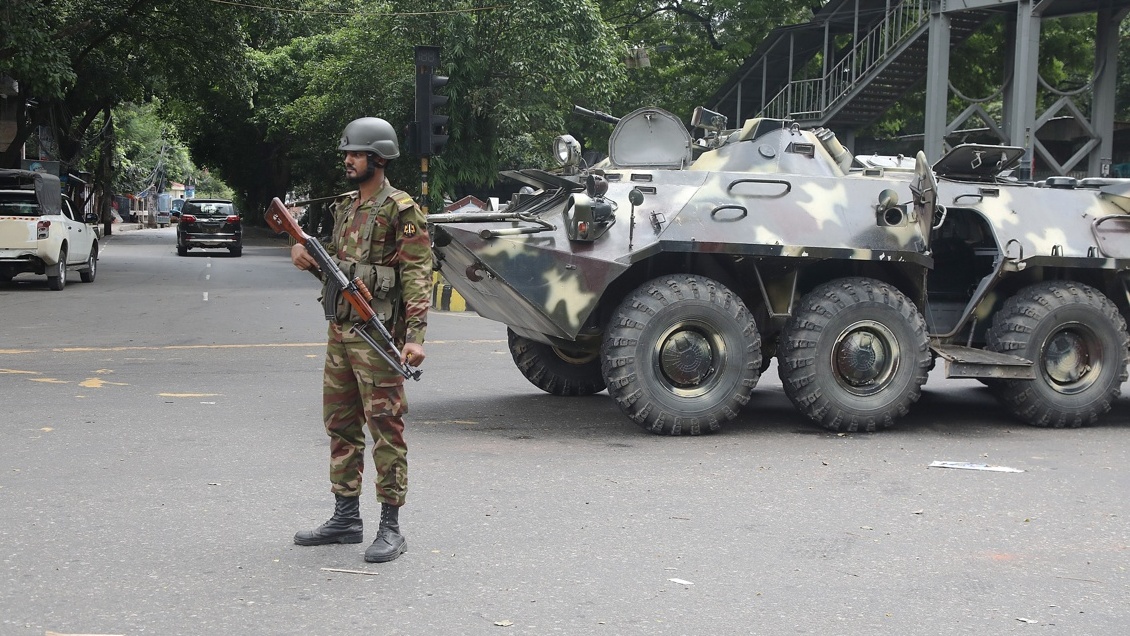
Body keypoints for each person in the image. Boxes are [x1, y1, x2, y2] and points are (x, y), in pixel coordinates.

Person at [290, 117, 433, 563]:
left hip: (378, 337)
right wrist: (307, 258)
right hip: (341, 331)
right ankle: (345, 517)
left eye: (355, 154)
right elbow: (339, 267)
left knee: (385, 428)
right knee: (340, 424)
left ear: (378, 158)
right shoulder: (345, 207)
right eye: (347, 154)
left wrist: (415, 337)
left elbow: (415, 274)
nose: (348, 161)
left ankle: (391, 526)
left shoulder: (401, 209)